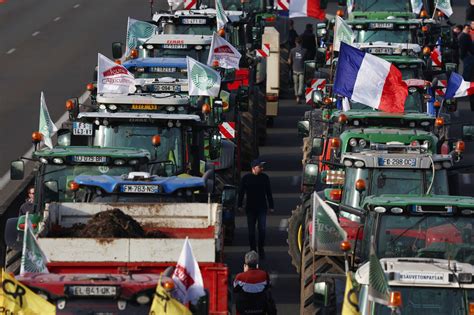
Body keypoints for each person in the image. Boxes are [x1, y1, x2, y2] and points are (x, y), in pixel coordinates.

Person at [238, 159, 274, 259]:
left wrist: (271, 206)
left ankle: (261, 248)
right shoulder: (246, 178)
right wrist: (239, 205)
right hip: (250, 208)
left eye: (262, 167)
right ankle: (253, 249)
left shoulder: (265, 178)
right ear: (254, 168)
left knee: (262, 229)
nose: (262, 168)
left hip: (262, 208)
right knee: (251, 231)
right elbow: (241, 192)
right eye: (260, 167)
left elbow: (268, 193)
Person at [233, 251, 277, 315]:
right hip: (260, 309)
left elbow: (235, 289)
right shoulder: (264, 274)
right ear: (257, 265)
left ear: (245, 265)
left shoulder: (240, 276)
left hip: (244, 310)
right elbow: (268, 286)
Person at [289, 36, 307, 104]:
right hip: (302, 70)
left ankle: (297, 96)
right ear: (301, 42)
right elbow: (306, 60)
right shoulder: (305, 50)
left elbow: (289, 61)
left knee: (295, 83)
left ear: (295, 42)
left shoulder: (292, 50)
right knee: (301, 83)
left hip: (294, 69)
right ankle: (299, 94)